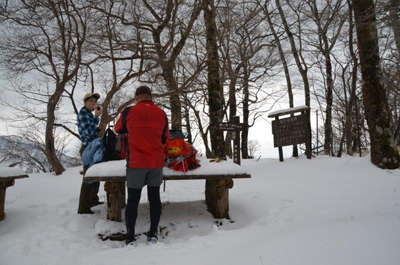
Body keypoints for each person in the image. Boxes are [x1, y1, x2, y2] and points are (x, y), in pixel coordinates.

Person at [115, 86, 169, 245]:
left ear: (137, 97)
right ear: (150, 97)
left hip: (136, 162)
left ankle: (130, 237)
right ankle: (153, 234)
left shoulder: (128, 112)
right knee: (154, 198)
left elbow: (118, 129)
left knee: (132, 200)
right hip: (156, 162)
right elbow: (166, 137)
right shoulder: (161, 113)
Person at [77, 93, 103, 214]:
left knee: (95, 174)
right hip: (88, 147)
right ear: (85, 102)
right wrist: (97, 128)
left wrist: (96, 116)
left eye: (94, 102)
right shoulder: (83, 113)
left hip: (92, 147)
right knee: (88, 177)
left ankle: (92, 200)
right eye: (91, 101)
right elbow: (89, 132)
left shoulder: (88, 114)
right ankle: (83, 207)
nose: (93, 104)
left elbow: (92, 127)